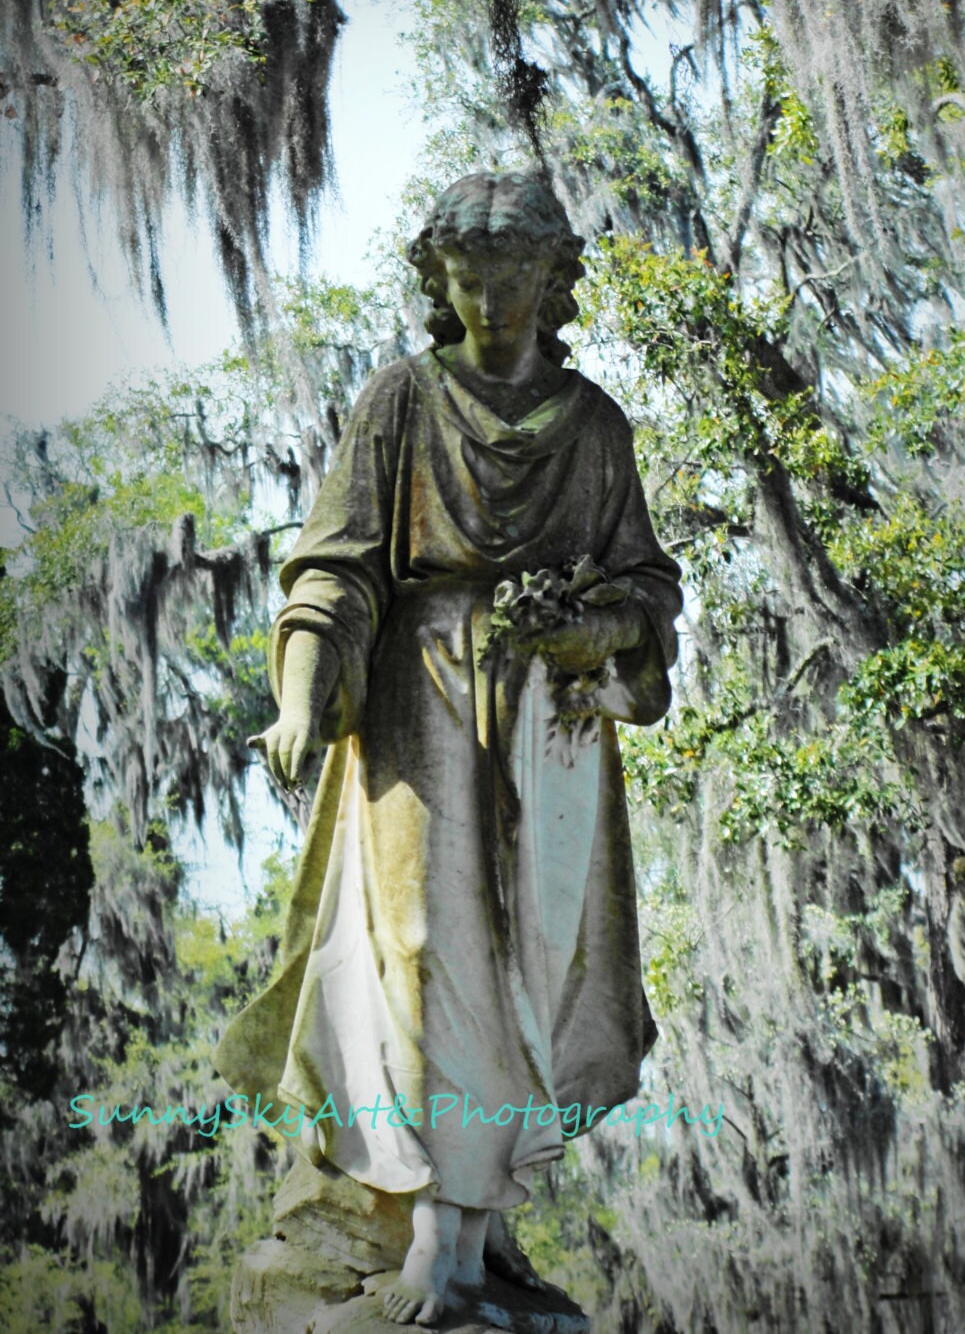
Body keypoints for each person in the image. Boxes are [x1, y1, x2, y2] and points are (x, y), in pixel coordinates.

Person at [217, 171, 682, 1326]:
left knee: (527, 967)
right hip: (418, 703)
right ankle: (424, 1226)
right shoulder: (399, 402)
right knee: (423, 950)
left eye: (512, 271)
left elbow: (648, 589)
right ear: (441, 280)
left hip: (548, 725)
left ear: (551, 278)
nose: (488, 294)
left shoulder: (594, 427)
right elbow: (330, 574)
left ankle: (471, 1236)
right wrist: (300, 698)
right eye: (466, 273)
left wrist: (598, 631)